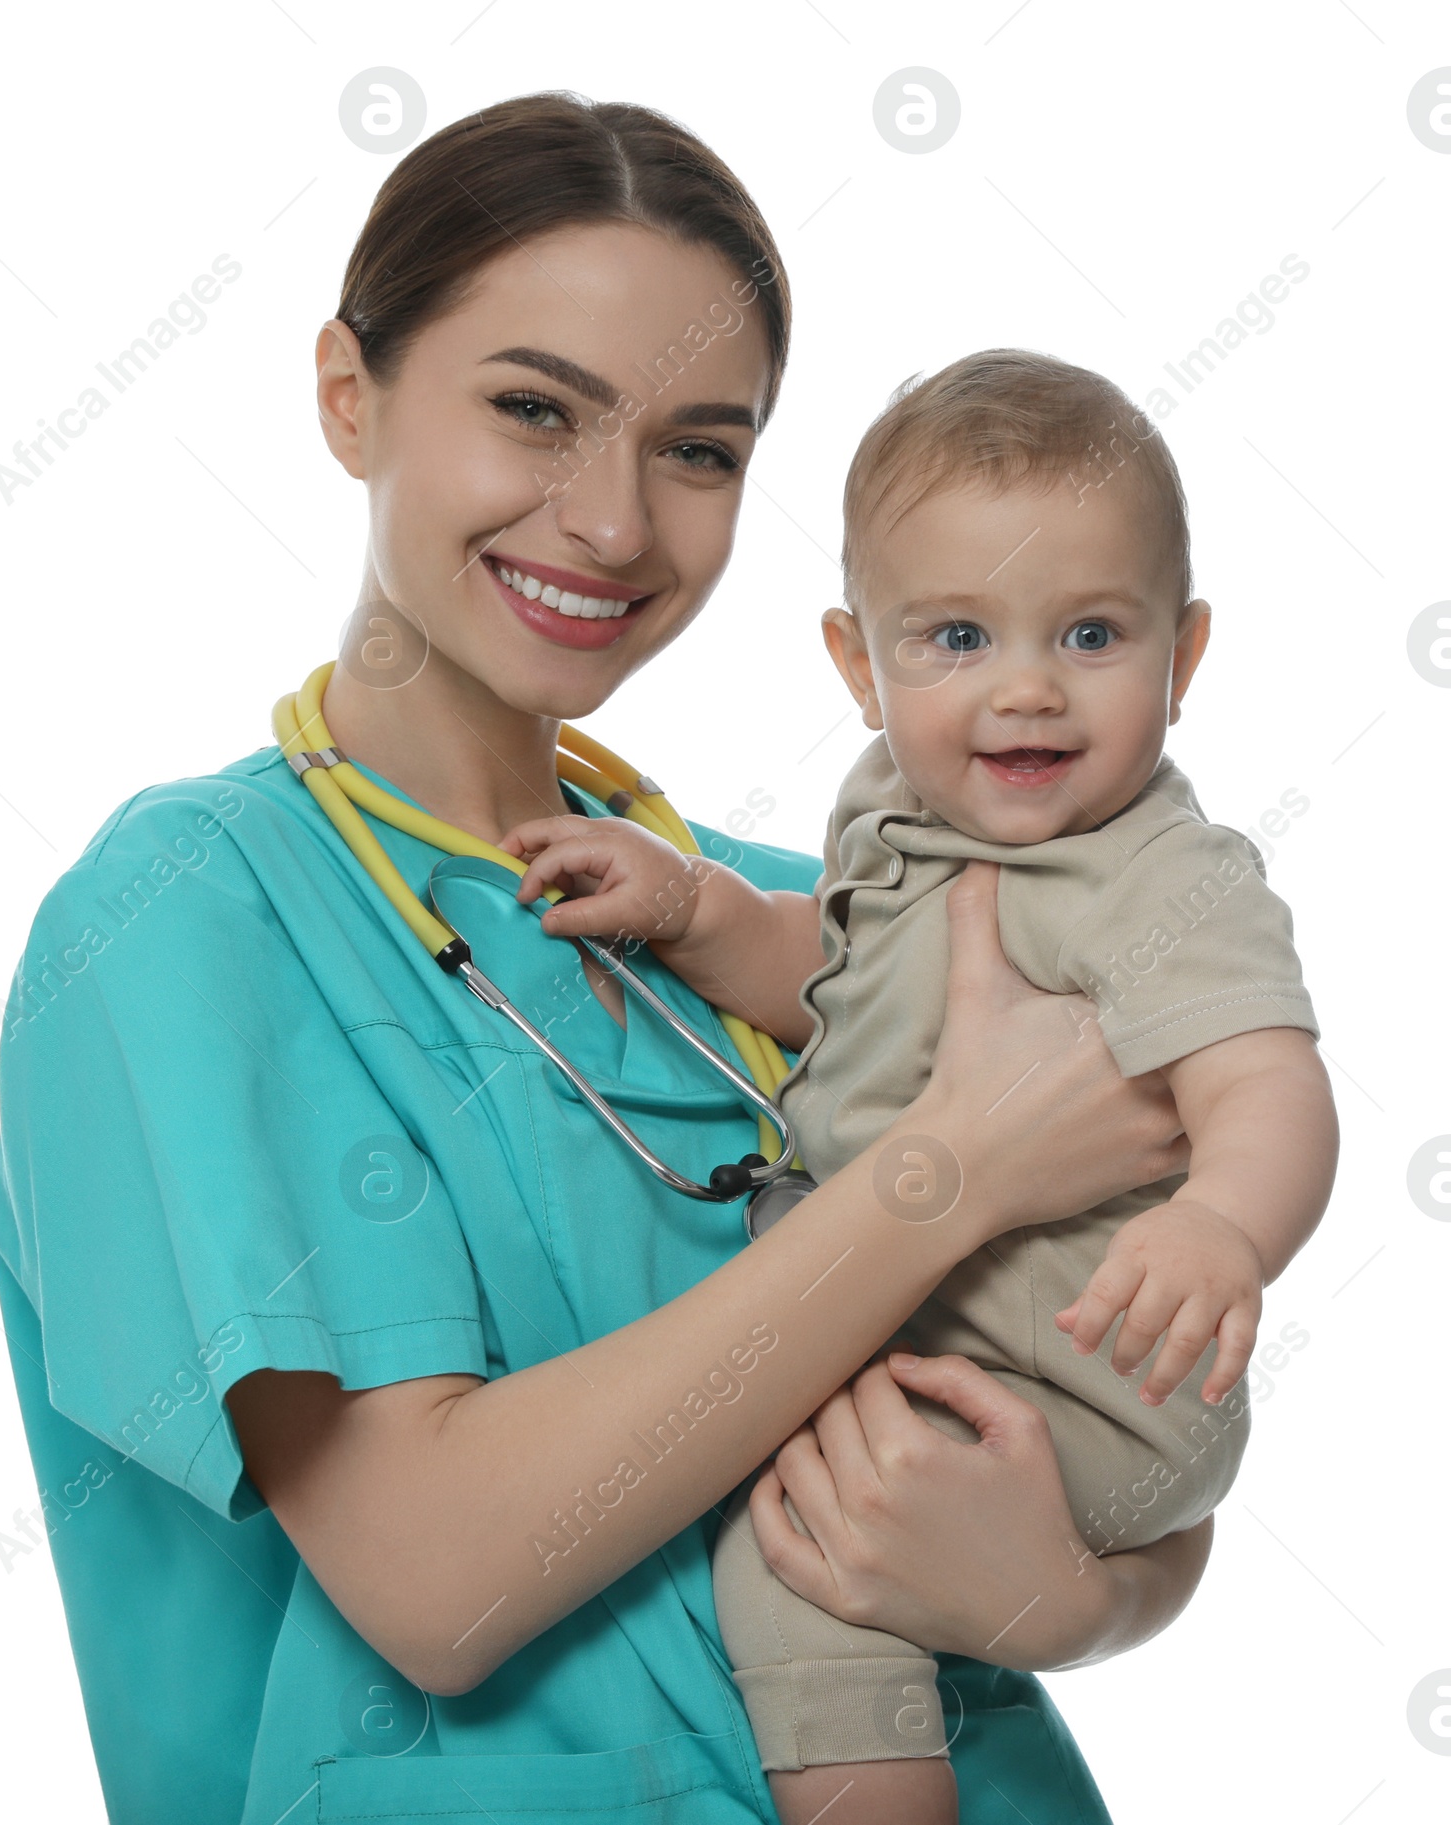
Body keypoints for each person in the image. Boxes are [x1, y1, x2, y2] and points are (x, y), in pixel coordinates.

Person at [0, 96, 1210, 1825]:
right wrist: (952, 1169)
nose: (617, 521)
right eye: (533, 411)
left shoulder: (818, 918)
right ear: (350, 393)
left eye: (700, 449)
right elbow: (434, 1578)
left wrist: (1077, 1593)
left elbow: (1141, 1429)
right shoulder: (183, 920)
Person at [500, 347, 1339, 1823]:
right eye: (957, 636)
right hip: (954, 1338)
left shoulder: (1159, 873)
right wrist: (693, 908)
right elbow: (830, 988)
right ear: (857, 665)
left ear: (1183, 659)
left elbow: (1270, 1083)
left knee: (798, 1559)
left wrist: (1223, 1226)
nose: (1025, 690)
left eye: (1090, 633)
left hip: (1092, 1378)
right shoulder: (895, 806)